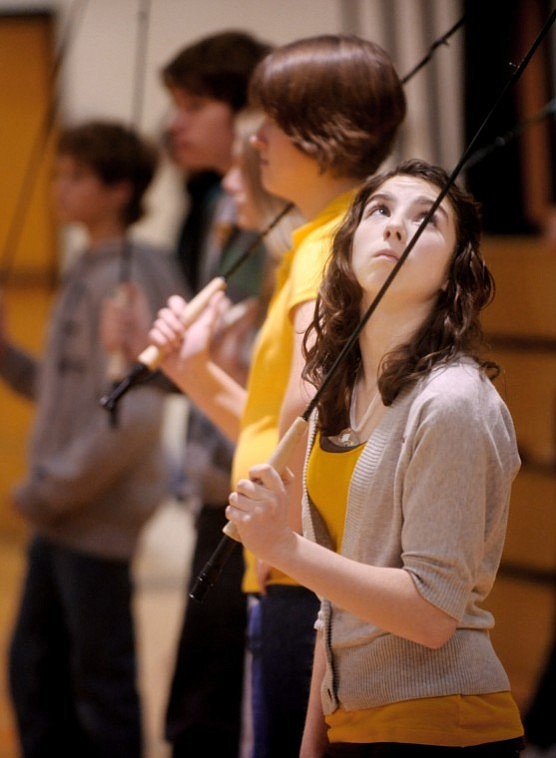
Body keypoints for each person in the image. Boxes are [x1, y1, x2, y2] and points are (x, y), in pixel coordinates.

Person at [148, 34, 406, 757]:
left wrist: (282, 543)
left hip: (298, 570)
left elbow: (304, 409)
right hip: (294, 561)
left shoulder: (327, 249)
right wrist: (195, 372)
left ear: (323, 134)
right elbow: (278, 420)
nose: (252, 137)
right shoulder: (323, 241)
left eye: (268, 119)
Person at [225, 158, 525, 757]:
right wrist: (314, 746)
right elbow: (334, 610)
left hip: (444, 727)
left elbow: (432, 613)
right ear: (349, 243)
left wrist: (284, 549)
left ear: (451, 273)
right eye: (380, 210)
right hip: (351, 728)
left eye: (426, 220)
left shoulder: (453, 400)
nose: (394, 227)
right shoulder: (338, 393)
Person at [0, 120, 181, 757]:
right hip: (60, 519)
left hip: (92, 519)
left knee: (99, 687)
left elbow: (137, 416)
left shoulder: (138, 272)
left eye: (76, 175)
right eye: (59, 173)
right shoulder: (85, 269)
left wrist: (50, 488)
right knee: (32, 673)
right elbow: (64, 395)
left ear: (119, 189)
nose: (59, 187)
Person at [159, 31, 271, 758]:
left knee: (218, 695)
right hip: (212, 475)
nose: (175, 124)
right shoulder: (212, 209)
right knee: (199, 689)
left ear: (246, 114)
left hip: (253, 482)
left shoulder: (274, 224)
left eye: (193, 106)